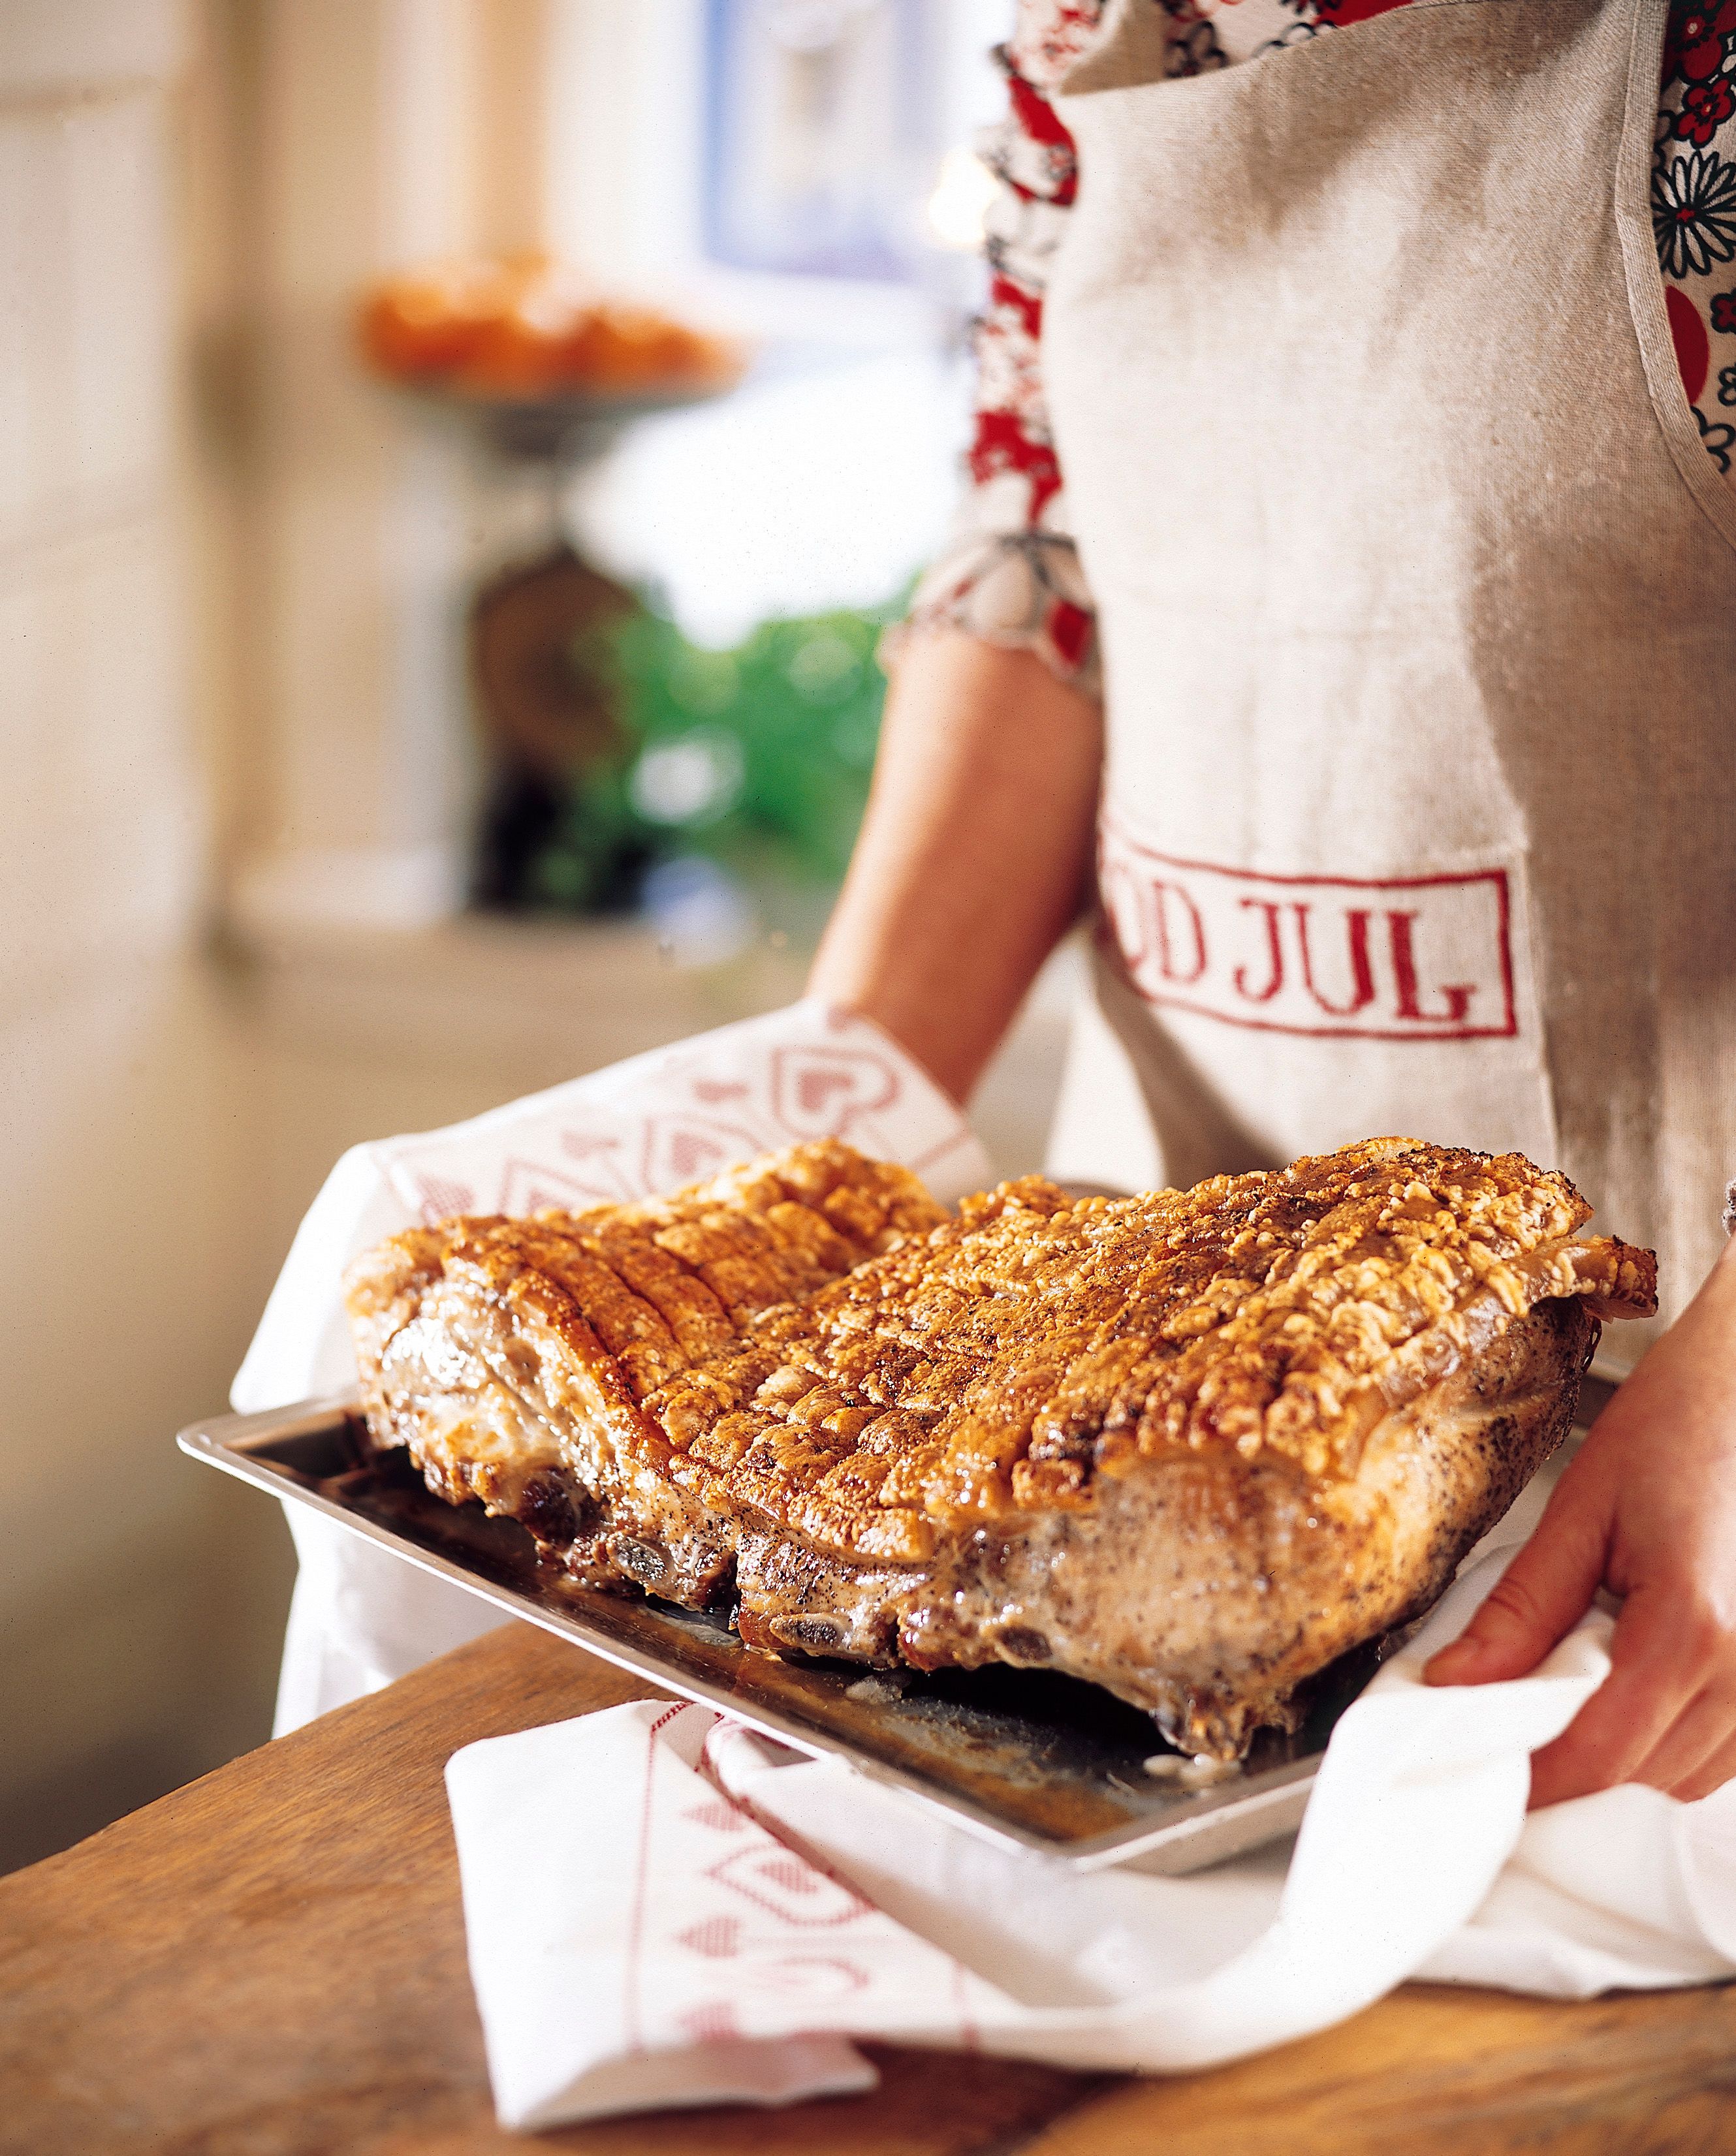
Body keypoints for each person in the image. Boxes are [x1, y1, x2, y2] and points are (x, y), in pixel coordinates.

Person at [808, 0, 1736, 1807]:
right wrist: (806, 1136)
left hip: (1660, 1473)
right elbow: (1042, 550)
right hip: (1111, 1416)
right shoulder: (1075, 35)